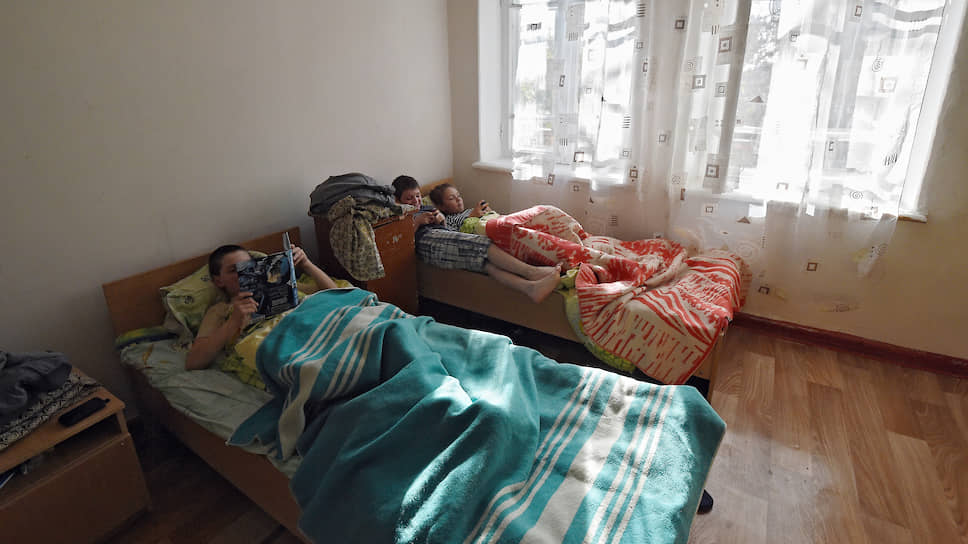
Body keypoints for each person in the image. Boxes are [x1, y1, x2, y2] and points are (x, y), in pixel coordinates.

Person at [391, 175, 561, 304]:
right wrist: (417, 222)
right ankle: (531, 272)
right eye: (409, 198)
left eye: (418, 196)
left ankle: (531, 288)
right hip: (427, 242)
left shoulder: (426, 207)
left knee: (486, 265)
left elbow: (448, 228)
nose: (416, 201)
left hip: (441, 237)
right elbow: (400, 242)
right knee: (482, 244)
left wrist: (441, 219)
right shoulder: (397, 216)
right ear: (397, 201)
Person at [185, 244, 338, 371]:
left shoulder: (280, 286)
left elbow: (336, 294)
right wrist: (234, 321)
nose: (243, 274)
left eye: (248, 267)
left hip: (317, 329)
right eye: (233, 270)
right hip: (286, 348)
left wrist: (306, 264)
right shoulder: (221, 310)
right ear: (219, 281)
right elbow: (194, 362)